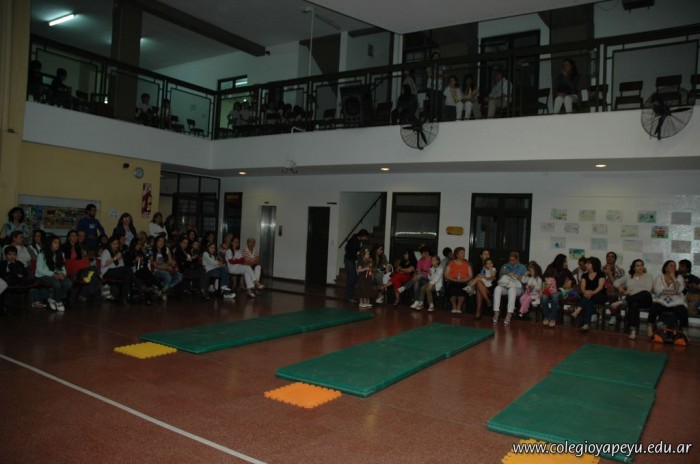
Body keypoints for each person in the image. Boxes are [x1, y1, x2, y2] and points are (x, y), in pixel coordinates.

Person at [613, 259, 654, 340]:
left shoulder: (648, 276)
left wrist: (632, 293)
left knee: (645, 293)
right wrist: (621, 288)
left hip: (646, 300)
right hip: (633, 300)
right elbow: (615, 282)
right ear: (633, 268)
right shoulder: (628, 277)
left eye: (641, 265)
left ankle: (622, 302)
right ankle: (633, 330)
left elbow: (648, 289)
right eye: (637, 266)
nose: (640, 267)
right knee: (634, 304)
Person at [647, 260, 689, 339]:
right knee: (654, 308)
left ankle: (684, 331)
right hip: (662, 302)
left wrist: (674, 278)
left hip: (676, 303)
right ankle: (649, 327)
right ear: (666, 268)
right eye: (671, 265)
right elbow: (657, 290)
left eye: (675, 266)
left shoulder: (679, 277)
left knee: (683, 310)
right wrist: (673, 292)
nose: (674, 267)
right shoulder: (659, 277)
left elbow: (679, 289)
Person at [35, 235, 72, 311]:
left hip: (55, 274)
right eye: (55, 242)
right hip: (43, 275)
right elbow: (39, 269)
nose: (57, 244)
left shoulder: (60, 254)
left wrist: (62, 274)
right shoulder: (42, 254)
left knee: (68, 283)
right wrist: (53, 274)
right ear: (49, 243)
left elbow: (62, 267)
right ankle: (58, 301)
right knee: (57, 283)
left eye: (58, 243)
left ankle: (53, 299)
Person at [571, 257, 606, 332]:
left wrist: (592, 293)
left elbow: (600, 287)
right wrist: (585, 292)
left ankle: (578, 310)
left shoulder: (601, 274)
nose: (586, 265)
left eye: (588, 263)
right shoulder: (584, 275)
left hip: (599, 295)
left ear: (594, 264)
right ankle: (586, 325)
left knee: (588, 298)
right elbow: (582, 287)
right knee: (589, 301)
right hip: (587, 296)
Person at [540, 254, 576, 328]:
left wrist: (568, 284)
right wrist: (543, 289)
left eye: (566, 262)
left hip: (559, 291)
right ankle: (546, 317)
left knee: (555, 296)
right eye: (564, 262)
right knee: (544, 297)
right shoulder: (551, 267)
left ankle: (553, 319)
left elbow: (574, 281)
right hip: (548, 289)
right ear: (560, 262)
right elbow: (543, 278)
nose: (566, 263)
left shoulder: (566, 271)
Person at [492, 251, 527, 324]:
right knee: (497, 288)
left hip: (517, 287)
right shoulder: (504, 266)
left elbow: (525, 281)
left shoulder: (522, 267)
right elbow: (500, 278)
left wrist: (516, 277)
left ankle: (509, 314)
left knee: (512, 290)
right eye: (510, 260)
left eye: (513, 260)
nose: (511, 262)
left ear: (517, 259)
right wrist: (507, 276)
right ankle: (496, 312)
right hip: (506, 286)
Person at [100, 235, 135, 306]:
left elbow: (121, 266)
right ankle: (139, 286)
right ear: (110, 244)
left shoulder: (118, 252)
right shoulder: (106, 251)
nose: (116, 245)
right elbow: (103, 264)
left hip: (116, 272)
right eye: (114, 244)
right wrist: (115, 258)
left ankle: (124, 299)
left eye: (117, 244)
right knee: (127, 269)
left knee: (127, 276)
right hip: (106, 272)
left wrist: (119, 258)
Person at [150, 234, 183, 301]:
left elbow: (170, 261)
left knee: (179, 275)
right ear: (156, 242)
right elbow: (155, 265)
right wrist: (167, 268)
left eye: (163, 241)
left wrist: (174, 264)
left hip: (167, 268)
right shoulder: (152, 251)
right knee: (167, 275)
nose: (161, 243)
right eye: (159, 241)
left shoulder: (166, 249)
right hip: (157, 270)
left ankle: (163, 289)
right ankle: (164, 290)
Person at [444, 247, 473, 314]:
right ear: (457, 254)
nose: (463, 254)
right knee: (452, 289)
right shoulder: (451, 263)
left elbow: (470, 275)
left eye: (464, 253)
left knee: (462, 289)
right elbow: (446, 274)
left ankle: (459, 306)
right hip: (452, 281)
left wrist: (464, 279)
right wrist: (453, 279)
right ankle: (454, 306)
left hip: (463, 281)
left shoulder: (467, 264)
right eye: (461, 253)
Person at [344, 229, 368, 302]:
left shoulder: (358, 240)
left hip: (352, 260)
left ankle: (350, 296)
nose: (365, 239)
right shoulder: (353, 240)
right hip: (349, 260)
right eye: (365, 237)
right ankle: (349, 297)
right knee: (352, 278)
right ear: (362, 235)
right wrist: (356, 253)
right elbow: (347, 248)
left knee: (353, 278)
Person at [470, 250, 495, 319]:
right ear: (481, 256)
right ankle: (488, 301)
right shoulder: (477, 266)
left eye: (488, 254)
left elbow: (494, 278)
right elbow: (474, 277)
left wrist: (485, 277)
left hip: (490, 286)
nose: (487, 256)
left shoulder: (493, 265)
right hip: (479, 285)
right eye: (485, 254)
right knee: (478, 284)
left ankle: (478, 311)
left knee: (478, 287)